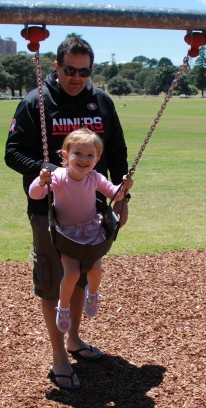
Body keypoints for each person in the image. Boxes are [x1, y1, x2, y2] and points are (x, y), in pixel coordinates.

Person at [5, 36, 129, 390]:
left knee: (82, 275)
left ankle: (74, 339)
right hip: (48, 210)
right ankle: (59, 356)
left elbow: (117, 151)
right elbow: (12, 153)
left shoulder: (101, 101)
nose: (77, 77)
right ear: (57, 66)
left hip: (92, 209)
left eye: (84, 71)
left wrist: (122, 198)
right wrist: (48, 170)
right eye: (70, 70)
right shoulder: (35, 103)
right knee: (53, 280)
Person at [28, 129, 133, 334]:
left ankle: (92, 294)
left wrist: (125, 186)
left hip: (92, 229)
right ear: (66, 156)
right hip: (67, 234)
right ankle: (63, 307)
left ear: (97, 158)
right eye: (78, 154)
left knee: (96, 270)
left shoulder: (94, 177)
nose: (84, 159)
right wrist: (41, 181)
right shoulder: (58, 177)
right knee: (72, 273)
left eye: (90, 155)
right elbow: (35, 194)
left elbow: (115, 194)